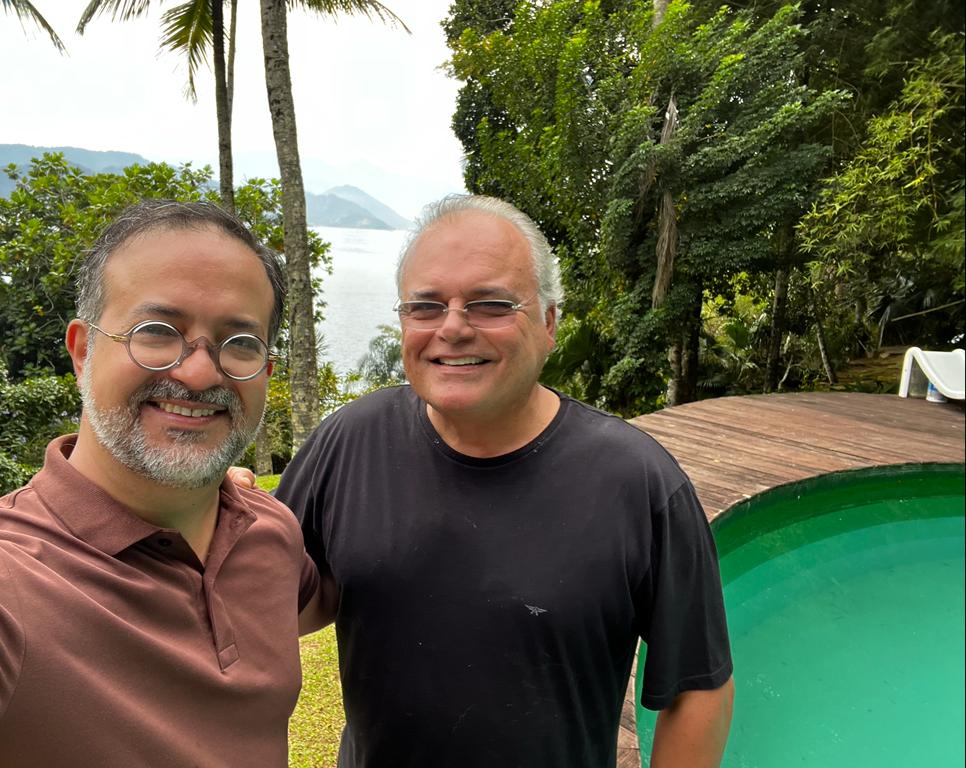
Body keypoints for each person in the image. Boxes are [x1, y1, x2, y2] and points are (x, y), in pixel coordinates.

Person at [274, 194, 734, 767]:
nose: (453, 328)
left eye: (490, 304)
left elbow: (698, 684)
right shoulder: (350, 440)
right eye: (425, 306)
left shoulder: (637, 482)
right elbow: (294, 598)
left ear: (548, 324)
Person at [0, 200, 334, 767]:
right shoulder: (17, 580)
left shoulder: (269, 533)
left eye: (241, 342)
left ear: (265, 372)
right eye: (157, 332)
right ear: (83, 351)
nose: (201, 372)